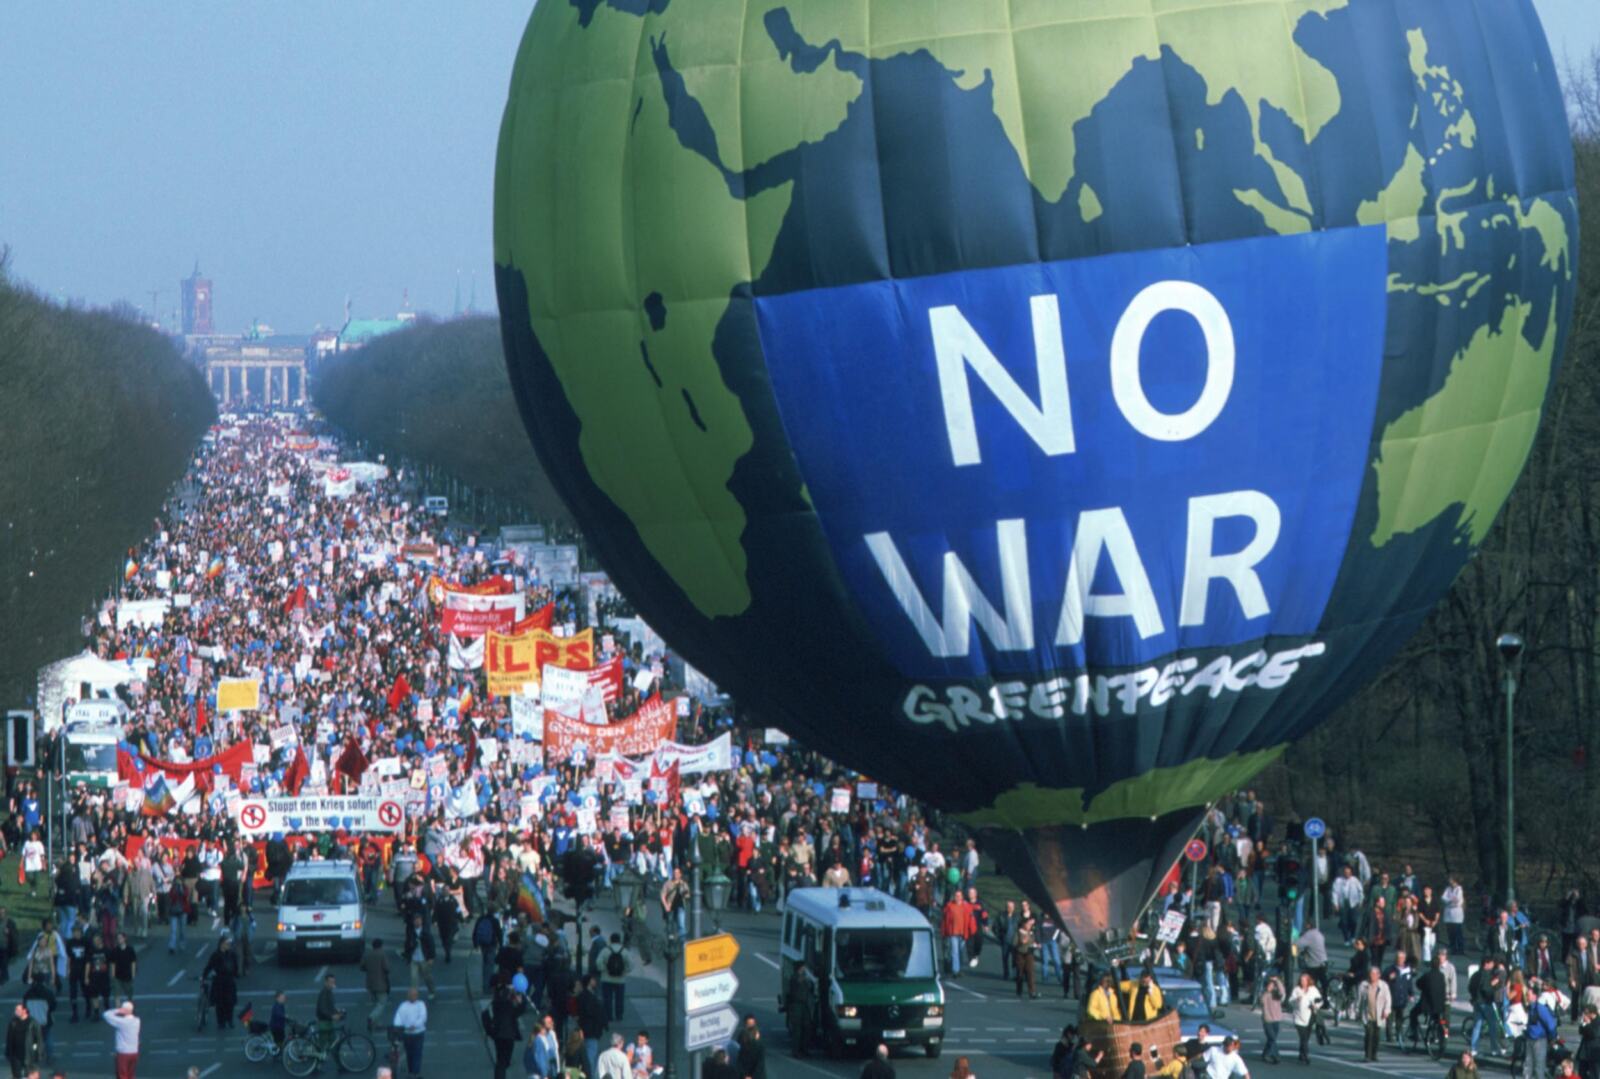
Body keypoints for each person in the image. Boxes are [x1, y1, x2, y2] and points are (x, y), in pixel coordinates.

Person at [489, 982, 528, 1079]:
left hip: (498, 1034)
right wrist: (521, 999)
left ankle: (499, 1076)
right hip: (509, 1035)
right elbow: (520, 1010)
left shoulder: (496, 1003)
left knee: (500, 1059)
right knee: (505, 1060)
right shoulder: (510, 1005)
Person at [1525, 980, 1560, 1079]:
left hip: (1539, 1039)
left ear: (1534, 996)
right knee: (1528, 1066)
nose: (1526, 996)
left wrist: (1553, 1037)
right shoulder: (1531, 1007)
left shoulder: (1540, 1008)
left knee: (1538, 1067)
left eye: (1528, 994)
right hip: (1530, 1038)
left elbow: (1550, 1023)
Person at [202, 936, 239, 1030]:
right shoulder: (216, 955)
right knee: (220, 1003)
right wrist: (204, 976)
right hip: (219, 982)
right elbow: (209, 966)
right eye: (227, 943)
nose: (229, 945)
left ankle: (229, 1020)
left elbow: (235, 967)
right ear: (222, 944)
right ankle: (221, 1022)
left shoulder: (232, 954)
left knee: (230, 1003)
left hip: (229, 981)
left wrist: (236, 974)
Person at [391, 986, 427, 1079]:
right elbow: (422, 1018)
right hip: (414, 1033)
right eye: (411, 995)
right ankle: (414, 1073)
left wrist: (400, 1027)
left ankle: (413, 1073)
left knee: (413, 1054)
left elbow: (423, 1017)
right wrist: (414, 1026)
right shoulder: (420, 1004)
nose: (413, 996)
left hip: (413, 1033)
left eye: (414, 995)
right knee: (414, 1054)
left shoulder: (404, 1005)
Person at [1358, 966, 1391, 1062]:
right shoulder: (1363, 985)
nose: (1371, 976)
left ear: (1378, 975)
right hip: (1367, 1015)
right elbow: (1359, 1000)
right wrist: (1357, 1012)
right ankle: (1367, 1055)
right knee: (1368, 1035)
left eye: (1374, 974)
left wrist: (1386, 1011)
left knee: (1376, 1036)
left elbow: (1388, 1000)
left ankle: (1374, 1054)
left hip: (1379, 1015)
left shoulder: (1383, 986)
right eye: (1370, 974)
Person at [1288, 972, 1323, 1064]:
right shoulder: (1297, 990)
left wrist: (1316, 1006)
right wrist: (1296, 1000)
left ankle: (1301, 1053)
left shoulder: (1313, 989)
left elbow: (1319, 1000)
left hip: (1310, 1016)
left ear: (1308, 981)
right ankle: (1306, 1055)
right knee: (1303, 1037)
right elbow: (1290, 1001)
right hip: (1299, 1017)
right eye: (1301, 980)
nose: (1302, 982)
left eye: (1304, 980)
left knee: (1306, 1037)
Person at [577, 976, 608, 1079]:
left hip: (586, 1029)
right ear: (589, 982)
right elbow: (594, 1012)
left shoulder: (583, 996)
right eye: (593, 980)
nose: (595, 981)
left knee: (589, 1053)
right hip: (592, 1030)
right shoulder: (590, 997)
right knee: (591, 1055)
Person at [102, 1001, 139, 1079]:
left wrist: (118, 1010)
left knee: (122, 1075)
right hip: (134, 1051)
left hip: (123, 1052)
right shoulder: (137, 1021)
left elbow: (106, 1014)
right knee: (130, 1075)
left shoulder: (122, 1022)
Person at [404, 912, 438, 1000]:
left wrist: (431, 957)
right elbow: (407, 944)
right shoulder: (410, 931)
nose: (417, 922)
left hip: (424, 958)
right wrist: (407, 955)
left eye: (419, 920)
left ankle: (432, 990)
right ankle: (414, 996)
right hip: (414, 958)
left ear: (422, 921)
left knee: (427, 977)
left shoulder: (425, 931)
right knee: (413, 978)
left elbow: (431, 945)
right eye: (415, 921)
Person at [5, 1003, 43, 1079]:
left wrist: (38, 1053)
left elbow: (38, 1040)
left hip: (29, 1054)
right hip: (16, 1055)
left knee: (29, 1074)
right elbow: (9, 1039)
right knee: (16, 1075)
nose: (16, 1011)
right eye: (16, 1009)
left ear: (24, 1010)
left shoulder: (32, 1023)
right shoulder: (13, 1022)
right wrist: (8, 1052)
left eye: (18, 1009)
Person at [363, 938, 393, 1032]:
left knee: (375, 1003)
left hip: (370, 983)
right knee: (381, 1003)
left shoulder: (368, 954)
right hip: (381, 983)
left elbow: (362, 966)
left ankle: (376, 1023)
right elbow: (387, 968)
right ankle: (372, 1018)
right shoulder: (382, 954)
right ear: (381, 945)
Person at [598, 933, 629, 1022]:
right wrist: (624, 971)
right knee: (619, 998)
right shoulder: (624, 951)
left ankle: (609, 1016)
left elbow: (598, 962)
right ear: (619, 940)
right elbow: (631, 964)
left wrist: (604, 970)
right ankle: (619, 1015)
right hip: (620, 979)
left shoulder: (605, 950)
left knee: (607, 998)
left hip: (607, 978)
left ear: (610, 940)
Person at [1258, 974, 1284, 1064]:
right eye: (1269, 985)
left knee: (1271, 1039)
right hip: (1267, 1020)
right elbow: (1262, 1001)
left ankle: (1265, 1054)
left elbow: (1283, 992)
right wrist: (1267, 991)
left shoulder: (1277, 994)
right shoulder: (1264, 994)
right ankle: (1276, 1056)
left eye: (1272, 986)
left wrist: (1277, 980)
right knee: (1272, 1038)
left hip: (1276, 1019)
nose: (1271, 987)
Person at [108, 933, 136, 1004]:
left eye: (120, 938)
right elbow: (112, 964)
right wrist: (113, 975)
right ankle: (118, 1011)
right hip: (117, 976)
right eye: (118, 938)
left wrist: (133, 974)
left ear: (124, 939)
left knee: (129, 995)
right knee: (117, 995)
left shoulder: (130, 949)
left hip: (127, 975)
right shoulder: (115, 950)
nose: (119, 940)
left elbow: (133, 963)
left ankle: (130, 1010)